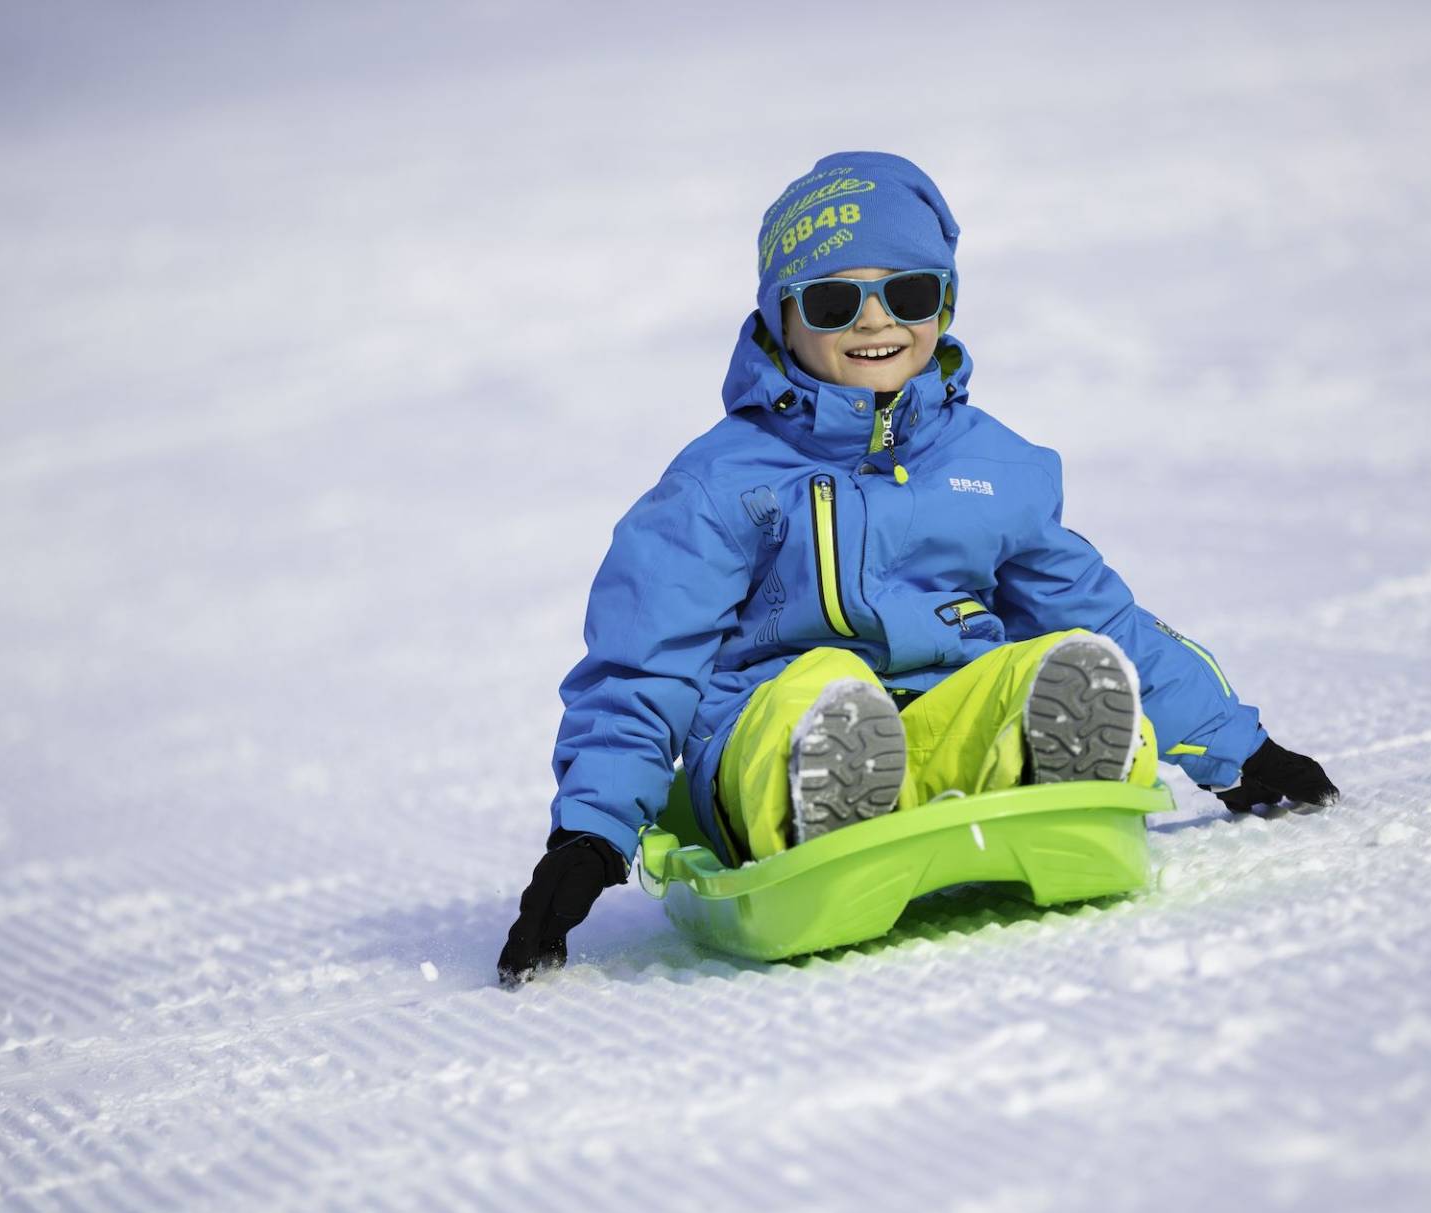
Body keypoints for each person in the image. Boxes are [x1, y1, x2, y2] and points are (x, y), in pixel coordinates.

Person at [497, 152, 1337, 986]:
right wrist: (591, 833)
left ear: (945, 303)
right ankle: (817, 779)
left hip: (937, 715)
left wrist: (1240, 747)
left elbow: (1100, 613)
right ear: (781, 318)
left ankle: (1042, 758)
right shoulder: (719, 485)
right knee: (814, 686)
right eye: (834, 301)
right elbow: (647, 663)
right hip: (762, 735)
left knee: (1050, 665)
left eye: (907, 294)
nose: (876, 323)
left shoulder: (994, 465)